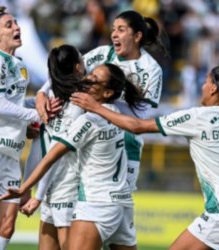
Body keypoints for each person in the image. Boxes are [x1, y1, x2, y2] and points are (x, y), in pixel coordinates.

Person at [71, 53, 219, 250]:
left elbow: (137, 126)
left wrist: (96, 107)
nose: (202, 86)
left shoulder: (199, 117)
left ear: (213, 88)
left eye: (205, 82)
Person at [0, 63, 144, 250]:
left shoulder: (88, 121)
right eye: (90, 74)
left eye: (94, 80)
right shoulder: (116, 114)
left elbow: (50, 157)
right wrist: (41, 96)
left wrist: (25, 188)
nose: (87, 79)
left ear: (108, 93)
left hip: (96, 203)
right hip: (122, 202)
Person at [37, 10, 169, 193]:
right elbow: (68, 72)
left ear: (137, 36)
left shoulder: (152, 69)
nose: (114, 34)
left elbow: (142, 116)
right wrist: (41, 93)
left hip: (124, 149)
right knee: (79, 209)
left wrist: (99, 106)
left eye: (121, 29)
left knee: (115, 210)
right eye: (114, 29)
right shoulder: (102, 53)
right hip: (89, 145)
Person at [21, 44, 85, 250]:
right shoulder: (62, 104)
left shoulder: (69, 104)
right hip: (56, 184)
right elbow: (48, 151)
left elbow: (52, 154)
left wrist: (35, 193)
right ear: (77, 67)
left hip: (65, 186)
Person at [0, 6, 40, 250]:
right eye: (9, 25)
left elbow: (14, 103)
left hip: (11, 152)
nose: (17, 27)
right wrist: (35, 113)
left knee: (7, 226)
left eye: (16, 23)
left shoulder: (18, 63)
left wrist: (40, 103)